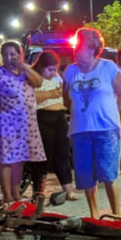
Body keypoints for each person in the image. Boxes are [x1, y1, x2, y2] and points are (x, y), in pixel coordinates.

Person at [63, 26, 121, 218]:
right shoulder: (70, 70)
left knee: (108, 175)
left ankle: (116, 216)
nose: (75, 51)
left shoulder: (108, 67)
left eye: (79, 47)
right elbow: (66, 98)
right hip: (80, 130)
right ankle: (94, 216)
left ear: (92, 49)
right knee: (86, 177)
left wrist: (111, 113)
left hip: (106, 129)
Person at [0, 40, 45, 202]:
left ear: (20, 55)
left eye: (13, 54)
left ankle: (16, 194)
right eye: (5, 55)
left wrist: (24, 67)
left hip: (25, 124)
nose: (9, 58)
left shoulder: (26, 73)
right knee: (5, 159)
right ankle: (7, 196)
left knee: (19, 159)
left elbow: (39, 82)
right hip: (6, 122)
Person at [30, 50, 79, 203]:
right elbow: (31, 98)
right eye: (50, 69)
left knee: (63, 155)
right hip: (43, 118)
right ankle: (38, 191)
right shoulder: (33, 77)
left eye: (55, 69)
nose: (53, 73)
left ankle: (68, 191)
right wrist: (51, 94)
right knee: (43, 156)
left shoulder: (57, 78)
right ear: (41, 66)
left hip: (60, 119)